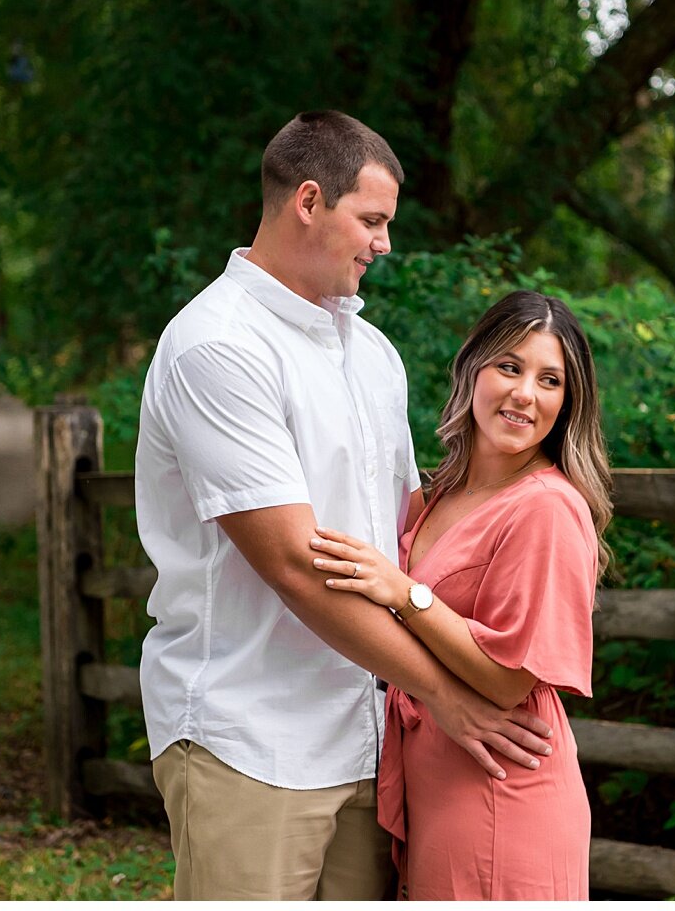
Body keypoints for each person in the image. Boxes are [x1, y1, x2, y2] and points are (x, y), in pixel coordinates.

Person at [134, 111, 555, 901]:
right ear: (306, 201)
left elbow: (407, 538)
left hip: (367, 741)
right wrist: (448, 693)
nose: (384, 243)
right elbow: (295, 565)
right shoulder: (218, 345)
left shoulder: (372, 354)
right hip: (247, 738)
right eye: (372, 220)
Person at [310, 290, 613, 900]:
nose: (525, 393)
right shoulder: (439, 496)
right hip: (440, 787)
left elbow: (509, 681)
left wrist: (405, 592)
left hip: (503, 794)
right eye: (510, 366)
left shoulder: (548, 508)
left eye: (549, 379)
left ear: (567, 402)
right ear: (473, 367)